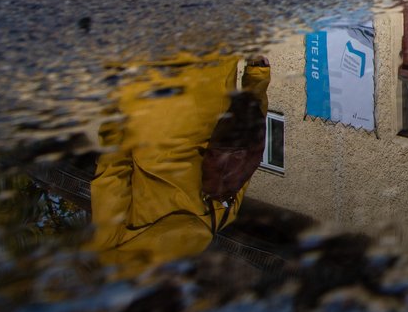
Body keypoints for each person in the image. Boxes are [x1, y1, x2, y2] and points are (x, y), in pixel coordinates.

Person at [86, 52, 272, 276]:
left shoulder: (220, 217)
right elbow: (113, 165)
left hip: (212, 70)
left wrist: (257, 76)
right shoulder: (113, 249)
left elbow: (246, 144)